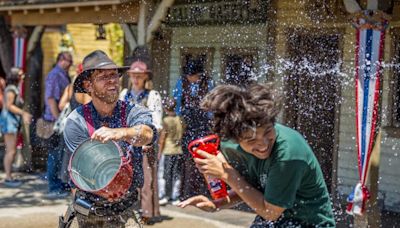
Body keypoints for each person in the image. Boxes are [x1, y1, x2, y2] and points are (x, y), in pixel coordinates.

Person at [178, 83, 336, 227]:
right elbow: (248, 189)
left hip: (308, 223)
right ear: (236, 139)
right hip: (276, 218)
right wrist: (217, 204)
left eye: (268, 131)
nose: (263, 144)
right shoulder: (230, 146)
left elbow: (271, 213)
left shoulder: (288, 155)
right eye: (251, 140)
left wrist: (227, 174)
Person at [61, 50, 157, 227]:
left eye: (114, 75)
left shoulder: (134, 112)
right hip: (89, 209)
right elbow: (86, 173)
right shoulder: (76, 121)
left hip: (126, 208)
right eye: (104, 77)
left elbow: (148, 134)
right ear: (88, 85)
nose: (112, 80)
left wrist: (122, 132)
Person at [121, 60, 162, 223]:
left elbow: (157, 122)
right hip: (127, 143)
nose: (136, 79)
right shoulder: (124, 94)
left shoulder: (152, 95)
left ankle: (146, 213)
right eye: (133, 76)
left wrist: (147, 140)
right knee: (125, 176)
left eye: (139, 76)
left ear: (145, 77)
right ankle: (127, 209)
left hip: (145, 143)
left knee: (147, 178)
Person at [173, 57, 214, 200]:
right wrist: (179, 121)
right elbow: (177, 103)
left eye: (193, 75)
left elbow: (211, 105)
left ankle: (206, 191)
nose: (190, 78)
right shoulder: (181, 82)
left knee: (204, 157)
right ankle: (186, 192)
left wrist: (211, 121)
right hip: (187, 125)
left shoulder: (208, 83)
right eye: (188, 75)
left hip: (203, 125)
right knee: (186, 160)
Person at [43, 51, 73, 199]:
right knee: (54, 154)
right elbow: (51, 99)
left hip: (58, 121)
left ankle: (59, 183)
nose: (71, 64)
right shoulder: (55, 74)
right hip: (53, 121)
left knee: (60, 154)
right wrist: (57, 120)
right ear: (61, 59)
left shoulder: (62, 74)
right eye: (69, 61)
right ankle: (53, 186)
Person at [0, 67, 32, 187]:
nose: (23, 76)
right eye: (20, 74)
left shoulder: (13, 88)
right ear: (15, 77)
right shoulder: (11, 89)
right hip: (9, 122)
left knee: (11, 151)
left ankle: (9, 175)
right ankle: (8, 177)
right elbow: (9, 106)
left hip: (11, 122)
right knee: (11, 151)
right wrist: (23, 113)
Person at [157, 98, 183, 206]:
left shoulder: (166, 120)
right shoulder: (179, 119)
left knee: (163, 174)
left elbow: (162, 138)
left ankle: (163, 196)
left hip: (167, 150)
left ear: (165, 108)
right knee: (176, 175)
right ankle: (175, 197)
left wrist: (159, 152)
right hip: (178, 151)